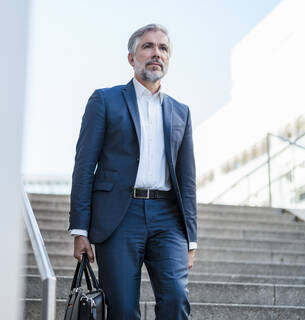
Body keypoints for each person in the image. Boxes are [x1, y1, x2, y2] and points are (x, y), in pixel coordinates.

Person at [68, 23, 197, 320]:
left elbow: (187, 180)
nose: (156, 53)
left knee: (176, 299)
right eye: (148, 46)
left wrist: (191, 238)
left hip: (169, 219)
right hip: (119, 218)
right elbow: (84, 166)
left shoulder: (181, 111)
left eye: (163, 48)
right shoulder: (104, 100)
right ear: (132, 58)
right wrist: (80, 230)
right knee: (123, 309)